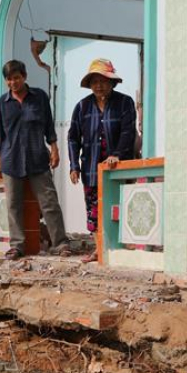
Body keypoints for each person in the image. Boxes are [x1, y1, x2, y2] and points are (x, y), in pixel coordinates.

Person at [0, 60, 71, 261]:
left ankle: (60, 244)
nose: (13, 82)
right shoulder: (2, 104)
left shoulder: (40, 98)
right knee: (13, 205)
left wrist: (54, 149)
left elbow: (49, 127)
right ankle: (17, 246)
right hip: (11, 160)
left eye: (16, 78)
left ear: (24, 76)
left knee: (49, 202)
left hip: (37, 157)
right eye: (9, 79)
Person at [68, 58, 137, 263]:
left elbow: (128, 132)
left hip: (118, 167)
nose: (99, 85)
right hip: (90, 167)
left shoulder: (125, 103)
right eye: (94, 81)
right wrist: (74, 166)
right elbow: (73, 137)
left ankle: (119, 249)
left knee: (118, 205)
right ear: (89, 84)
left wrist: (117, 154)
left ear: (112, 82)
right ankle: (99, 250)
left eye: (103, 81)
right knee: (93, 209)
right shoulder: (82, 107)